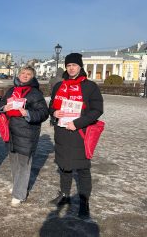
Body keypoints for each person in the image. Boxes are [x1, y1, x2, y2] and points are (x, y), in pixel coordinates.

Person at [49, 53, 103, 219]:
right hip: (62, 131)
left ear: (80, 67)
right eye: (68, 65)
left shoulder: (90, 86)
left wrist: (78, 123)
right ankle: (65, 195)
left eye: (74, 65)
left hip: (80, 133)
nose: (71, 68)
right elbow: (51, 106)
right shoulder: (60, 86)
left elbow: (97, 110)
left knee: (82, 169)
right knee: (64, 166)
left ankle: (84, 202)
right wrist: (54, 112)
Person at [0, 66, 49, 206]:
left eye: (28, 74)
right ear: (18, 75)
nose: (25, 76)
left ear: (32, 77)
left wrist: (27, 114)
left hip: (27, 134)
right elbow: (0, 107)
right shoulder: (11, 90)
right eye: (23, 73)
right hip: (11, 133)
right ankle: (17, 186)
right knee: (14, 163)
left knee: (24, 165)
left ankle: (19, 194)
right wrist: (4, 109)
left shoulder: (35, 93)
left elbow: (44, 113)